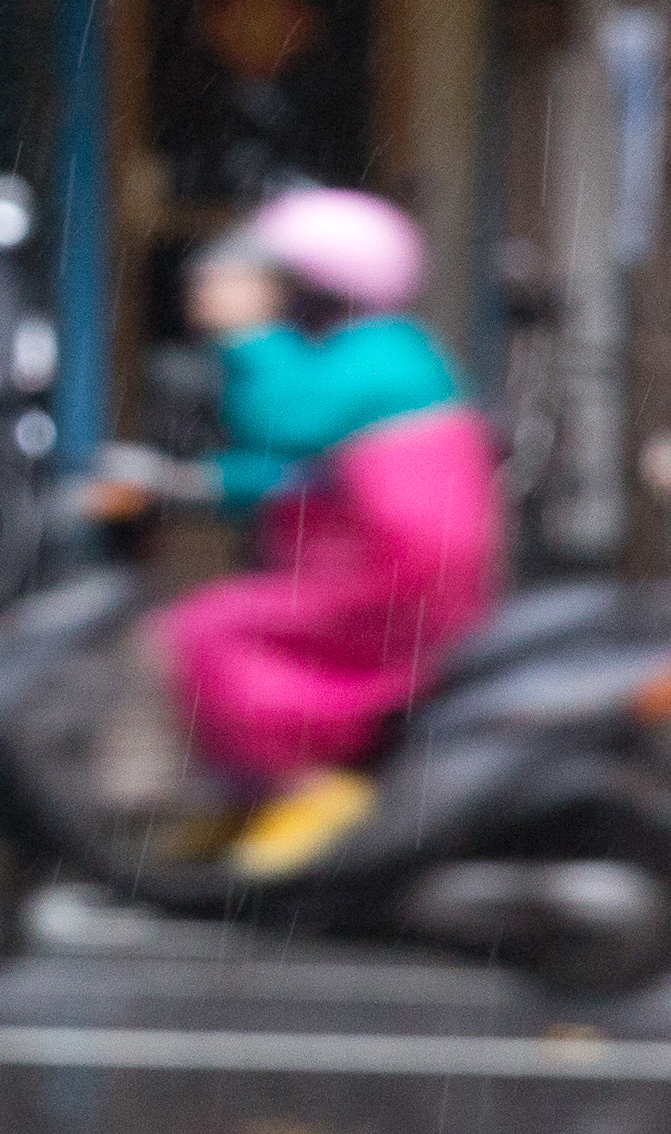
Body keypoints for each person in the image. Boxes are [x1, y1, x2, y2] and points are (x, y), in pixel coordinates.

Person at [105, 183, 494, 876]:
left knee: (206, 634)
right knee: (218, 630)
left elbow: (283, 420)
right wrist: (186, 484)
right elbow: (301, 470)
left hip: (389, 583)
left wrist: (248, 334)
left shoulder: (381, 353)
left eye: (278, 281)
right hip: (377, 573)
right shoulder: (379, 354)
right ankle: (250, 793)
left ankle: (307, 789)